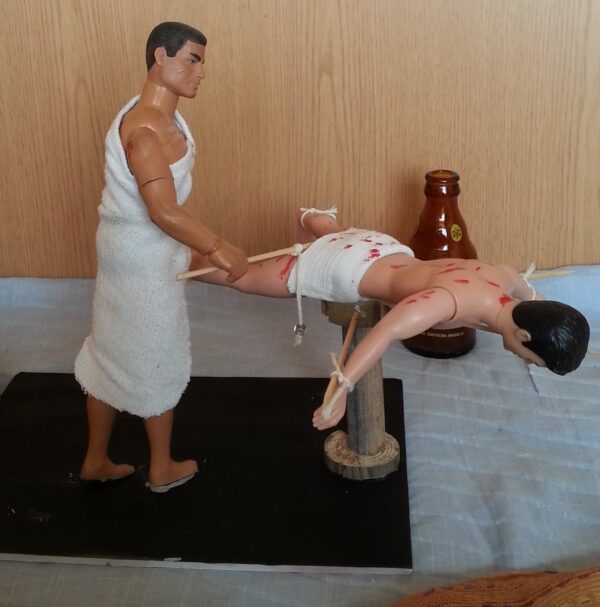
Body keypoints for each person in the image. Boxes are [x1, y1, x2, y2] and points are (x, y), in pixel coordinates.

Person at [190, 207, 590, 431]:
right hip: (348, 270)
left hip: (381, 246)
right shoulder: (446, 303)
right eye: (533, 360)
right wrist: (341, 391)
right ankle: (185, 262)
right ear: (523, 335)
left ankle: (317, 220)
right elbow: (384, 332)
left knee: (340, 235)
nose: (527, 363)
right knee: (246, 278)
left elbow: (537, 297)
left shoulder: (504, 277)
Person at [75, 22, 248, 492]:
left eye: (202, 61)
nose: (201, 72)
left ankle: (95, 460)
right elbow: (163, 210)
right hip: (141, 259)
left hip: (134, 250)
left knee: (109, 351)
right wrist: (217, 247)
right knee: (155, 352)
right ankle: (160, 468)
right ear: (160, 57)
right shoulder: (144, 131)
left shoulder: (162, 119)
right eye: (192, 59)